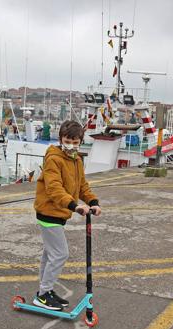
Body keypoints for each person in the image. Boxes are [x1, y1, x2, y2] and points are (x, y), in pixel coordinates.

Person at [32, 120, 102, 311]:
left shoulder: (77, 160)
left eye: (75, 142)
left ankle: (45, 291)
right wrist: (74, 206)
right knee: (60, 254)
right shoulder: (54, 159)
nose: (71, 145)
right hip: (48, 213)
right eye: (67, 141)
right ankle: (44, 294)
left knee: (49, 255)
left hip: (59, 214)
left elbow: (81, 186)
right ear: (61, 139)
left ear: (80, 142)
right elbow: (54, 188)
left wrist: (92, 202)